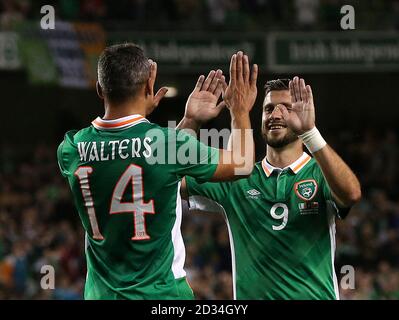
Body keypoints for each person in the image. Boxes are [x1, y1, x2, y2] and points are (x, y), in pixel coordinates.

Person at [57, 44, 258, 299]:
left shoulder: (71, 147)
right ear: (149, 87)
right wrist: (239, 110)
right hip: (162, 294)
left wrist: (190, 121)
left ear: (99, 89)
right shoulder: (166, 144)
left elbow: (144, 160)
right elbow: (242, 162)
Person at [181, 77, 362, 299]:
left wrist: (310, 132)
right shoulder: (237, 178)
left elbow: (351, 194)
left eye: (287, 108)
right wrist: (191, 121)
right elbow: (167, 177)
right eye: (268, 109)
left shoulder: (320, 172)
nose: (275, 115)